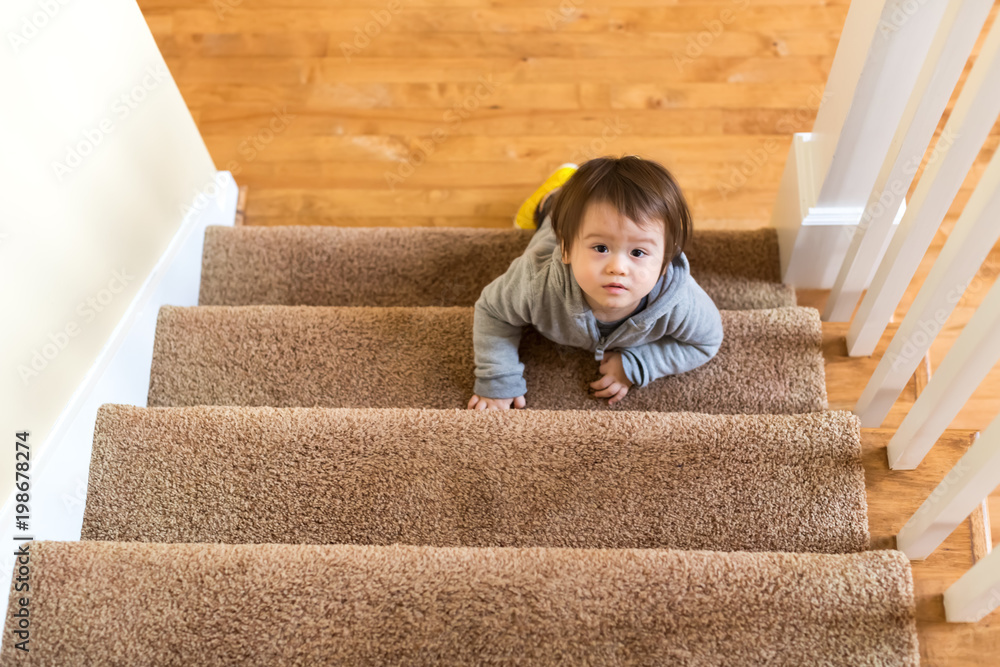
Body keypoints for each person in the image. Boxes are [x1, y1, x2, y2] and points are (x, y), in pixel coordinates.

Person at [467, 155, 724, 410]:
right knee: (555, 210)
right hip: (553, 227)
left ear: (665, 263)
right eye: (601, 248)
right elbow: (493, 311)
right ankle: (556, 190)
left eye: (638, 253)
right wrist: (497, 377)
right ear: (566, 250)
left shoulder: (679, 301)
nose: (617, 268)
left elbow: (707, 341)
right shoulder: (536, 281)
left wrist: (640, 363)